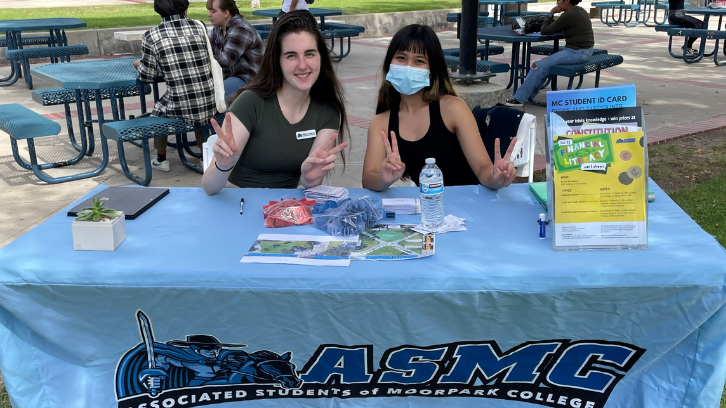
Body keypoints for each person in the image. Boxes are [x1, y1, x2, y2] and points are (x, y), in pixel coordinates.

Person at [202, 10, 348, 195]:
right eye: (291, 55)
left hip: (282, 212)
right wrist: (223, 166)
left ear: (321, 57)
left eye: (309, 53)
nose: (302, 65)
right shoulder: (252, 102)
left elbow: (310, 179)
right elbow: (208, 187)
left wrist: (310, 178)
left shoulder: (328, 111)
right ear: (277, 61)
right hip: (238, 205)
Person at [362, 24, 517, 191]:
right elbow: (369, 177)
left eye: (419, 61)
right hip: (427, 210)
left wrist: (496, 178)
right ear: (389, 63)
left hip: (468, 206)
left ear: (432, 70)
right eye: (401, 58)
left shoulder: (452, 108)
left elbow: (483, 170)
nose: (408, 67)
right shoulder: (381, 122)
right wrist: (383, 181)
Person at [135, 0, 217, 172]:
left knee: (158, 110)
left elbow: (147, 76)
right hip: (209, 100)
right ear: (185, 8)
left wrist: (139, 65)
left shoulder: (151, 35)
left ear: (158, 10)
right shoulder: (199, 26)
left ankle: (161, 158)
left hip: (180, 103)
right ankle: (205, 156)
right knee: (197, 98)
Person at [505, 0, 594, 106]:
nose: (557, 2)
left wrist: (551, 12)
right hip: (585, 51)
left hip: (576, 52)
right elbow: (557, 27)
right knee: (545, 66)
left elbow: (545, 30)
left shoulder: (569, 15)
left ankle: (519, 99)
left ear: (567, 1)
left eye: (559, 0)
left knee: (537, 66)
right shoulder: (580, 11)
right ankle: (528, 95)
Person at [206, 0, 265, 98]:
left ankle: (225, 113)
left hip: (248, 78)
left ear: (226, 13)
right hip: (228, 75)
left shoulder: (240, 29)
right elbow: (209, 51)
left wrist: (201, 59)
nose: (209, 15)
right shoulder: (217, 29)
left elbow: (225, 60)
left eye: (213, 11)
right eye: (209, 11)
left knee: (214, 96)